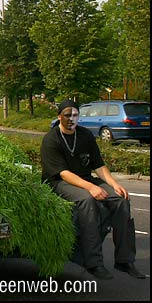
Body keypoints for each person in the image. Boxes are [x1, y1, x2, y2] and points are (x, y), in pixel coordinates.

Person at [40, 99, 145, 280]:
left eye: (75, 115)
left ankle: (124, 260)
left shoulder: (85, 135)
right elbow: (63, 174)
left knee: (121, 200)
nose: (72, 119)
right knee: (87, 200)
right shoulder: (51, 139)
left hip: (85, 179)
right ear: (59, 117)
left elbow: (99, 165)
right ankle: (93, 262)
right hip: (58, 182)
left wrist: (114, 184)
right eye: (67, 115)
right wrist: (90, 188)